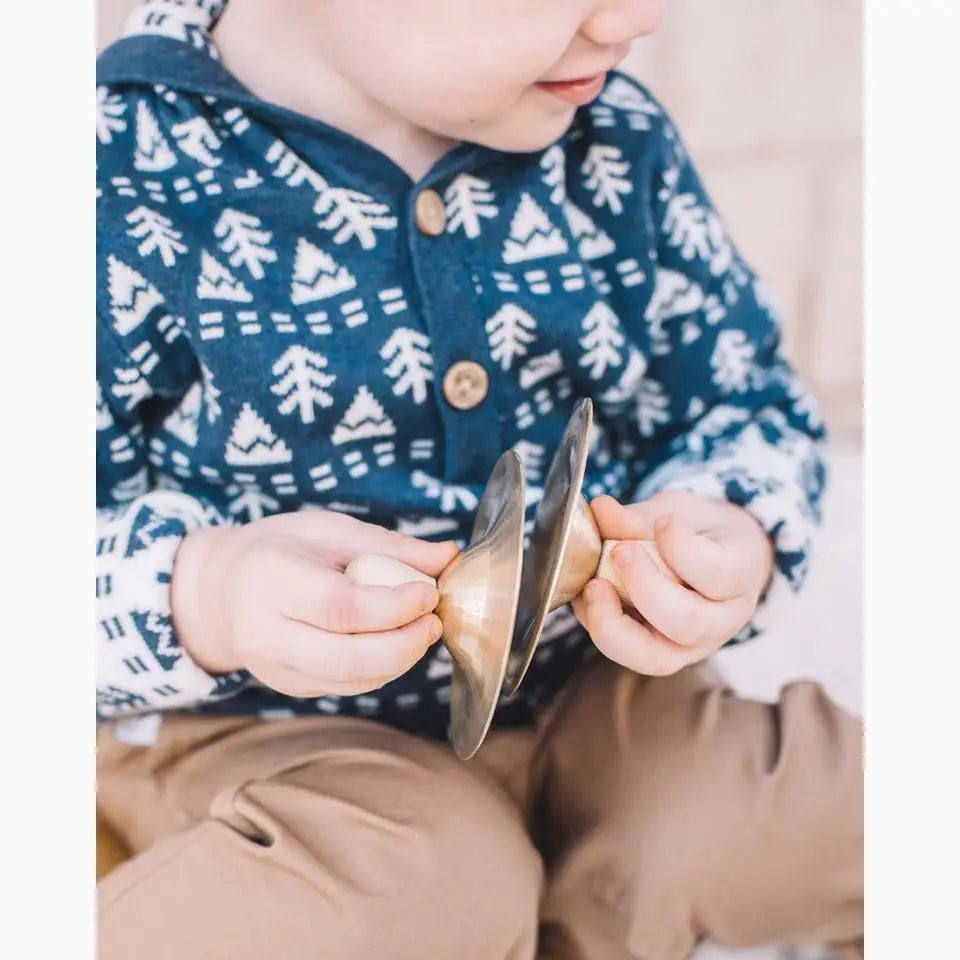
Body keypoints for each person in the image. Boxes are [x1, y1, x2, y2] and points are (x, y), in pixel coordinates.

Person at [95, 2, 863, 957]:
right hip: (260, 738)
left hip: (597, 690)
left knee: (808, 816)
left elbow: (740, 404)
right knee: (415, 889)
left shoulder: (611, 143)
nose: (637, 18)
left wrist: (728, 528)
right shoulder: (114, 181)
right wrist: (203, 594)